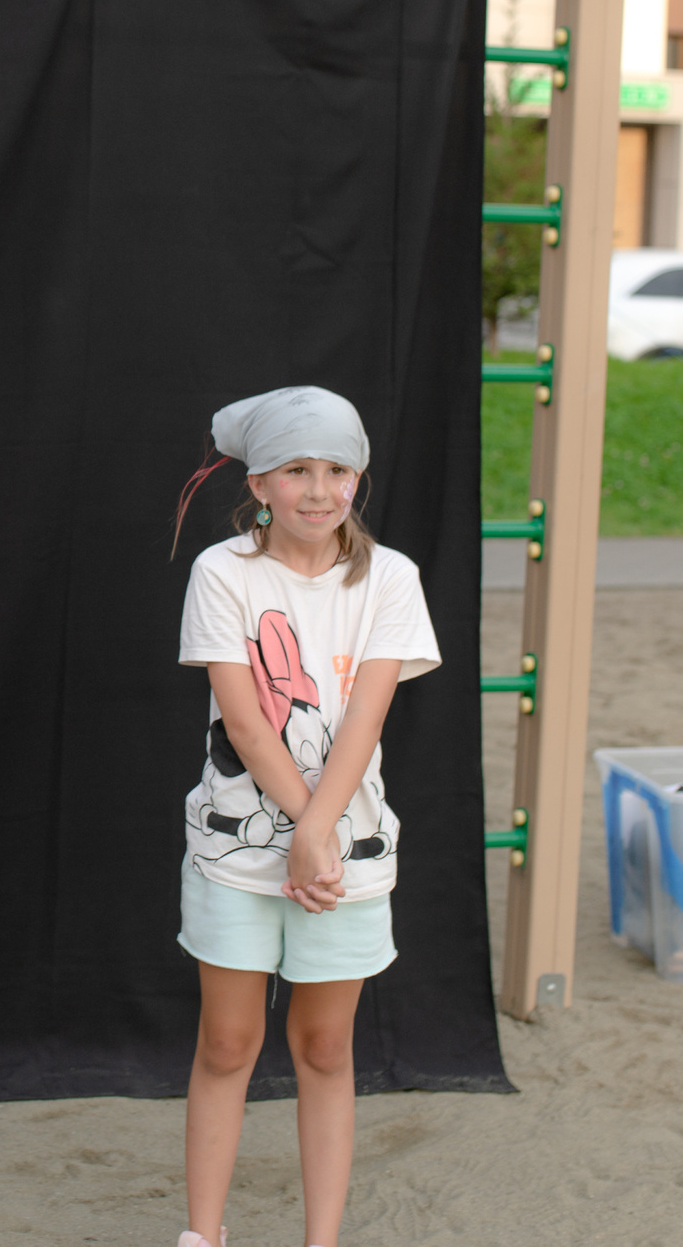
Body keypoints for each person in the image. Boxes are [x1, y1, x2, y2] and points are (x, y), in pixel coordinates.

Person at [168, 386, 440, 1247]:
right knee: (227, 1042)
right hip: (237, 854)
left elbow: (364, 716)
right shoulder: (223, 571)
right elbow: (245, 720)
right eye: (296, 470)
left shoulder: (390, 577)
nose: (318, 490)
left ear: (358, 477)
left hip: (342, 862)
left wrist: (321, 839)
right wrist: (303, 830)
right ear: (260, 483)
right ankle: (202, 1235)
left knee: (325, 1047)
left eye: (337, 469)